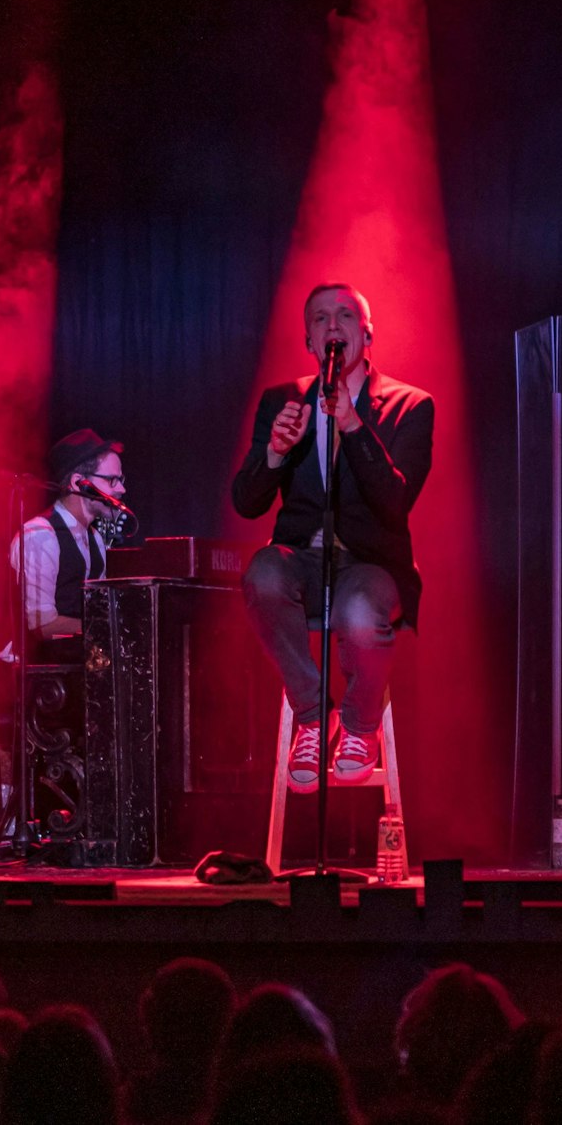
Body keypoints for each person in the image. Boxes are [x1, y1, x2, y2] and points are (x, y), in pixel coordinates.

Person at [231, 283, 434, 787]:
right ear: (308, 341)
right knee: (261, 571)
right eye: (320, 319)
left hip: (372, 564)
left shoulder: (411, 405)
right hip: (303, 558)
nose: (333, 326)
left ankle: (361, 726)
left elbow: (395, 501)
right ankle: (314, 714)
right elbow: (246, 501)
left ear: (367, 335)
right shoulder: (282, 400)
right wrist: (275, 454)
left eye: (345, 316)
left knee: (360, 611)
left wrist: (352, 422)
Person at [8, 430, 126, 641]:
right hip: (40, 670)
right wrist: (112, 628)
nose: (122, 489)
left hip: (77, 666)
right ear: (78, 482)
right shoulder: (39, 536)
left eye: (121, 479)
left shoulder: (96, 539)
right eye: (112, 480)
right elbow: (41, 626)